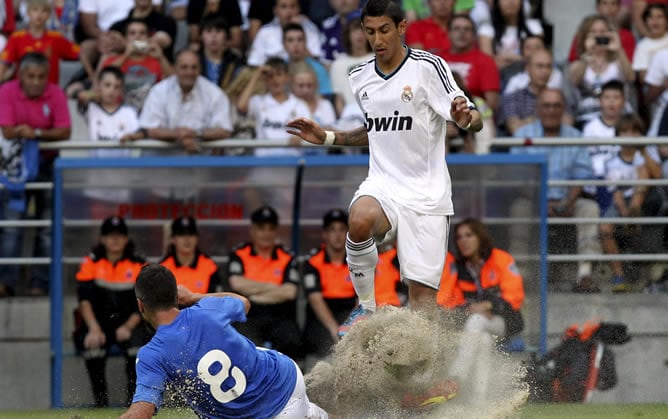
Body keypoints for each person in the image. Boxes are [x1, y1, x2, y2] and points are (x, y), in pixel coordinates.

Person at [286, 0, 482, 336]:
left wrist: (467, 119)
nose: (377, 39)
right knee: (360, 218)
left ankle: (426, 380)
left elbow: (469, 116)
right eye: (370, 31)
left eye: (384, 30)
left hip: (427, 195)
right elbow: (376, 131)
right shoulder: (360, 77)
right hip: (384, 184)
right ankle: (365, 309)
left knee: (422, 302)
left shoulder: (427, 67)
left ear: (401, 27)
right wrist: (328, 136)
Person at [120, 263, 328, 419]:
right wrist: (194, 296)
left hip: (268, 414)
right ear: (176, 297)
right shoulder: (207, 309)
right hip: (287, 377)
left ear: (140, 305)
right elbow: (243, 303)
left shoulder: (152, 354)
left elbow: (142, 411)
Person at [510, 89, 601, 293]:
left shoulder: (575, 136)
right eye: (546, 105)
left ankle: (585, 273)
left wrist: (567, 203)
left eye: (556, 106)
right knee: (519, 208)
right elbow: (518, 176)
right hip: (533, 200)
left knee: (590, 208)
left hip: (567, 201)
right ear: (538, 108)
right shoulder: (523, 135)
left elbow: (582, 175)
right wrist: (542, 203)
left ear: (563, 109)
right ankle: (520, 273)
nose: (551, 110)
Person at [0, 52, 72, 297]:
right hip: (15, 165)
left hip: (48, 164)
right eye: (30, 76)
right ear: (21, 75)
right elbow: (8, 131)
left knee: (47, 227)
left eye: (41, 76)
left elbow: (65, 131)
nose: (35, 81)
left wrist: (36, 133)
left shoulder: (56, 93)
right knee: (11, 224)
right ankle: (5, 283)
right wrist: (32, 132)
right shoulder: (7, 90)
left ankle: (39, 284)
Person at [439, 218, 524, 403]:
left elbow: (514, 298)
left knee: (477, 320)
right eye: (459, 237)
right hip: (475, 326)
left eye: (469, 235)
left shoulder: (501, 259)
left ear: (480, 237)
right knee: (483, 341)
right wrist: (469, 309)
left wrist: (488, 305)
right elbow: (447, 301)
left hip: (504, 322)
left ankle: (455, 377)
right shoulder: (457, 266)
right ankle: (479, 402)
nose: (464, 241)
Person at [73, 216, 150, 407]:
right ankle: (101, 404)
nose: (114, 240)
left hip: (132, 321)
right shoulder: (91, 262)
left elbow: (145, 301)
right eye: (110, 235)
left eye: (119, 235)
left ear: (126, 239)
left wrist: (128, 326)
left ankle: (134, 403)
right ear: (102, 239)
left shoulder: (138, 263)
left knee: (139, 350)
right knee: (92, 345)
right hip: (100, 322)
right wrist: (93, 328)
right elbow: (84, 299)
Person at [224, 205, 303, 360]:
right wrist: (272, 287)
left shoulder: (287, 256)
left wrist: (253, 292)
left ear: (276, 231)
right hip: (248, 316)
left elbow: (290, 292)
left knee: (292, 341)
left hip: (280, 316)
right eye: (261, 228)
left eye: (270, 228)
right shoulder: (239, 253)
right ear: (252, 230)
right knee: (245, 345)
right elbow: (236, 284)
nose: (266, 233)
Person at [123, 49, 233, 155]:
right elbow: (150, 129)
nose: (189, 72)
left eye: (193, 67)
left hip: (202, 165)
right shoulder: (159, 91)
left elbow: (224, 130)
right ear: (175, 68)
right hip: (162, 166)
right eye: (184, 67)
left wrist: (196, 134)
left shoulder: (214, 93)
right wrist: (178, 135)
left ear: (200, 69)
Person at [302, 209, 357, 357]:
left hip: (350, 311)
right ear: (325, 234)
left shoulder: (357, 261)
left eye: (342, 229)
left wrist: (349, 325)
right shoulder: (313, 261)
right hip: (322, 315)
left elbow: (362, 297)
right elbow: (315, 299)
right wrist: (334, 329)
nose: (337, 235)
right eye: (332, 230)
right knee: (324, 344)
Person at [0, 0, 83, 84]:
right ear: (28, 13)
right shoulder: (16, 38)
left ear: (48, 15)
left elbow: (80, 53)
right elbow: (3, 64)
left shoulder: (56, 38)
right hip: (22, 93)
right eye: (35, 10)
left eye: (44, 11)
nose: (39, 15)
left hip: (49, 92)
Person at [159, 215, 222, 294]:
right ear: (173, 239)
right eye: (181, 234)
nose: (187, 239)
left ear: (197, 238)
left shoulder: (210, 266)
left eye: (191, 234)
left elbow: (215, 299)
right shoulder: (163, 269)